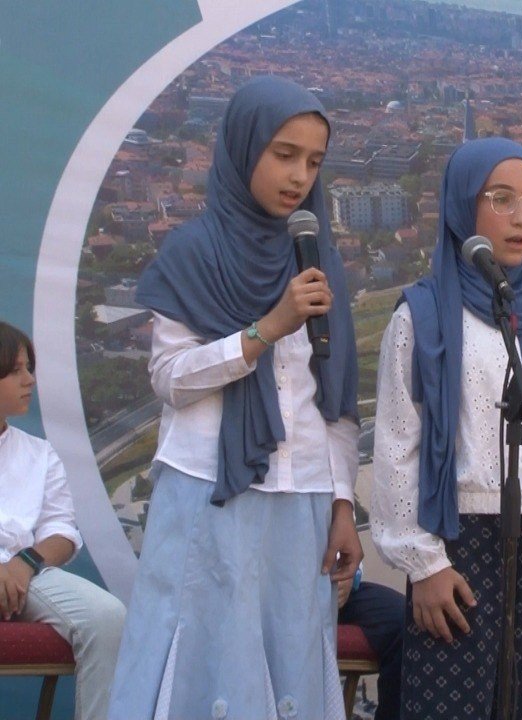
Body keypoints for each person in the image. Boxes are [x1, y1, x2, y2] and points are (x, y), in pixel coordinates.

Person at [108, 76, 362, 719]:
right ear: (243, 147)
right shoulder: (194, 250)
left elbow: (331, 399)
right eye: (283, 153)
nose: (299, 175)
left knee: (290, 666)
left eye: (313, 161)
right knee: (203, 660)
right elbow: (169, 378)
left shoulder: (318, 256)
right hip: (209, 492)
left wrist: (341, 505)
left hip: (302, 497)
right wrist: (260, 333)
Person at [370, 136, 522, 719]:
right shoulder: (421, 316)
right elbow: (399, 446)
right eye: (501, 199)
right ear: (462, 207)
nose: (521, 218)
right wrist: (424, 565)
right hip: (457, 546)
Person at [0, 322, 126, 720]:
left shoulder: (38, 453)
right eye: (17, 369)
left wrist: (24, 563)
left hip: (27, 575)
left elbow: (62, 531)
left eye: (30, 368)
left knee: (109, 618)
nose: (30, 380)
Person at [336, 565, 405, 720]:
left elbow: (348, 550)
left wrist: (349, 573)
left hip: (334, 587)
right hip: (281, 593)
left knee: (404, 619)